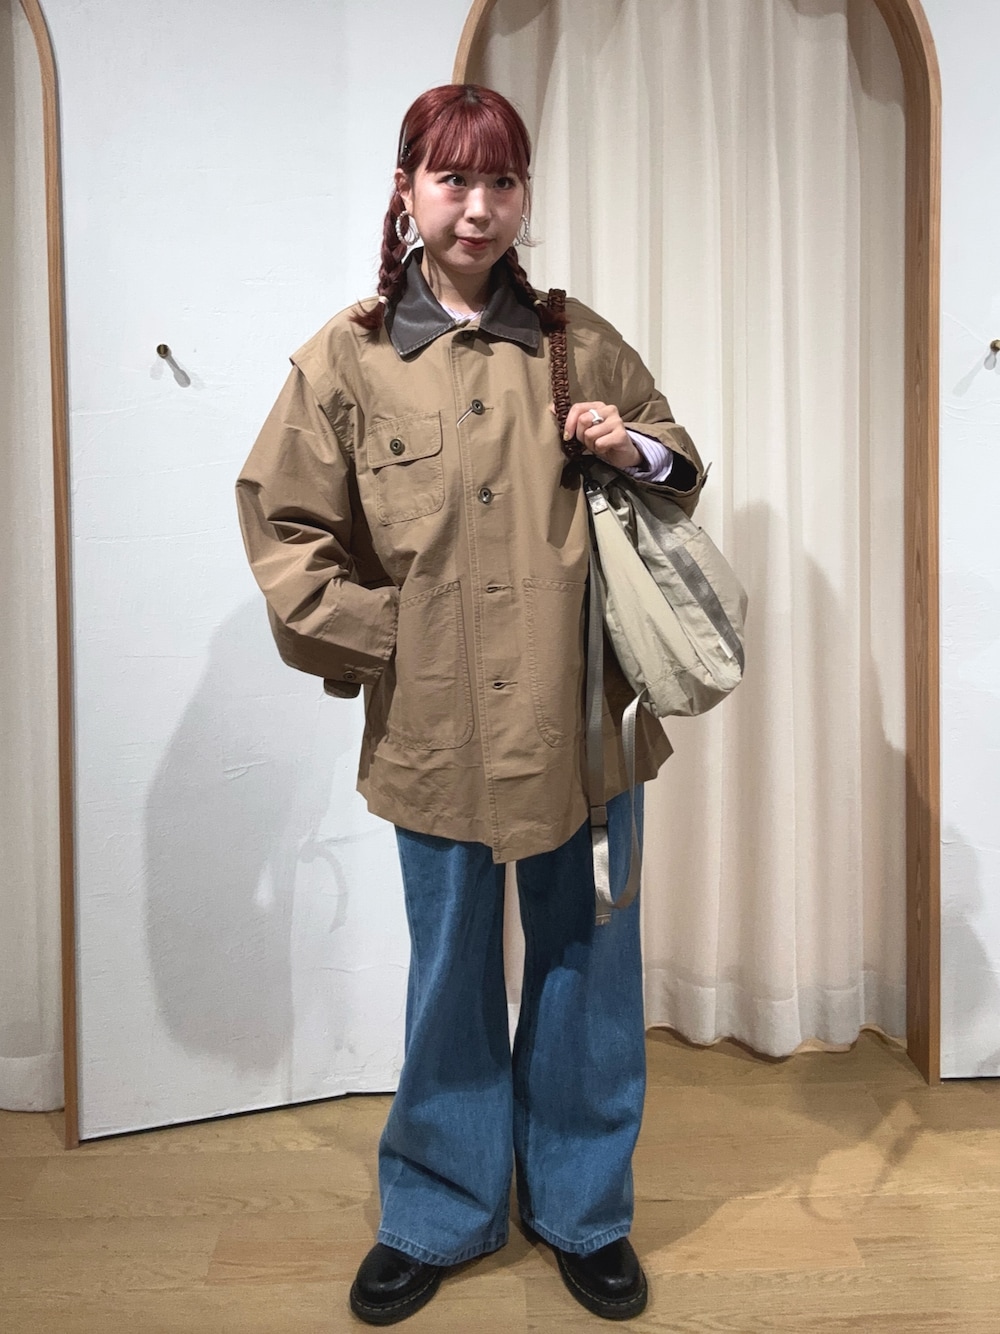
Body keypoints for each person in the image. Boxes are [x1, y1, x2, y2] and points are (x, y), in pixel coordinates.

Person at [236, 83, 705, 1326]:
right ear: (407, 190)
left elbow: (679, 462)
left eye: (502, 181)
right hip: (433, 726)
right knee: (449, 972)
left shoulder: (572, 337)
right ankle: (438, 1207)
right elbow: (285, 529)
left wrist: (628, 446)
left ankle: (583, 1208)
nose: (478, 207)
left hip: (581, 716)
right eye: (452, 179)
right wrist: (387, 638)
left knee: (585, 965)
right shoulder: (346, 357)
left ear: (522, 195)